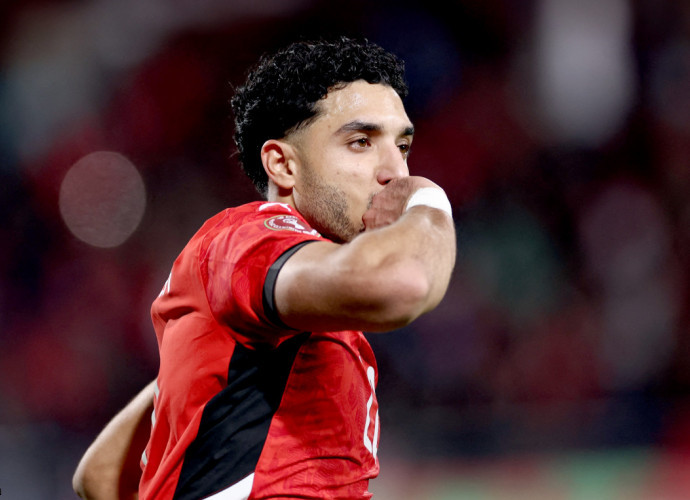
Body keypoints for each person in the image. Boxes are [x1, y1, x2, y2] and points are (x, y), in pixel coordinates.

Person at [73, 37, 456, 499]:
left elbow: (101, 476)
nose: (396, 172)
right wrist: (430, 201)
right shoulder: (250, 241)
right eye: (360, 142)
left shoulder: (279, 321)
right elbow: (404, 282)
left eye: (403, 146)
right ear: (282, 165)